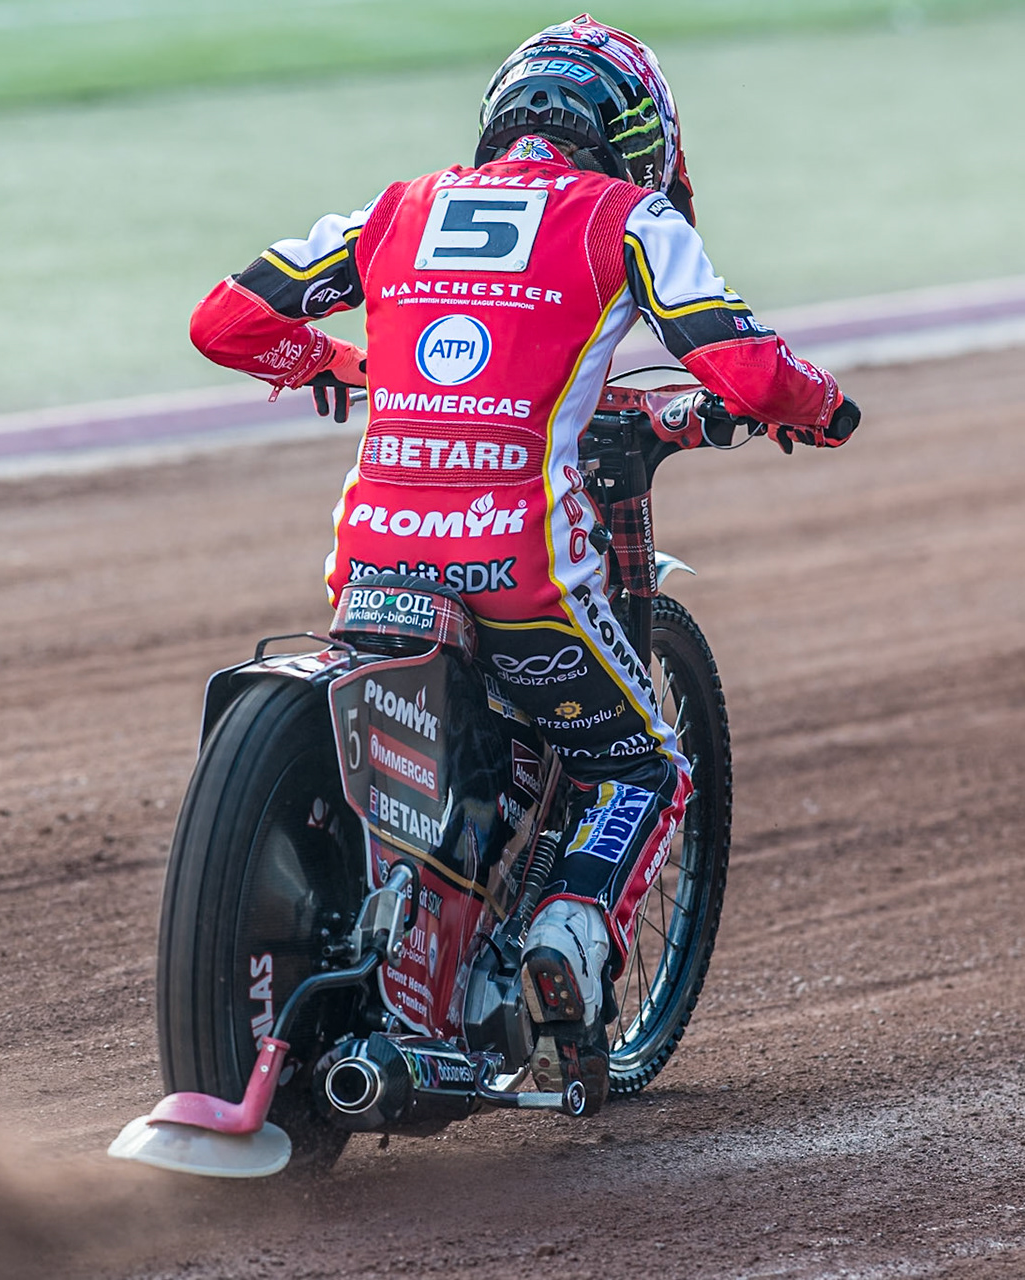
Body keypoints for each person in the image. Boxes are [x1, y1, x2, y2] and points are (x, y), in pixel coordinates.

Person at [189, 14, 859, 1100]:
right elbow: (739, 361)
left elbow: (224, 322)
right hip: (521, 582)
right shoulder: (627, 216)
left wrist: (342, 362)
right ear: (636, 134)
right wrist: (821, 407)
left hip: (370, 567)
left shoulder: (396, 210)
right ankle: (569, 926)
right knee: (646, 762)